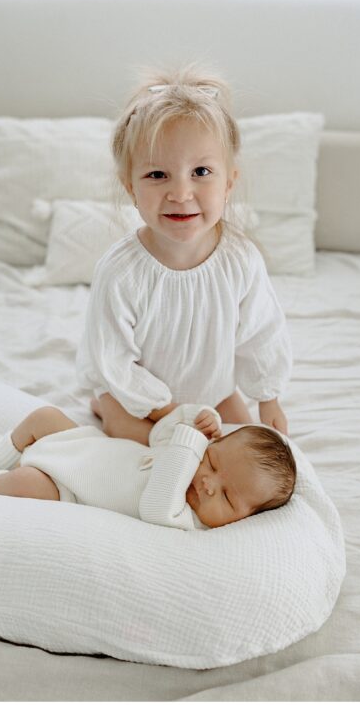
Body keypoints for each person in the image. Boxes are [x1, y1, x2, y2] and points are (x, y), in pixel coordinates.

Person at [76, 66, 292, 445]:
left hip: (216, 392)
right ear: (131, 188)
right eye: (157, 175)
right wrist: (172, 414)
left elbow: (262, 332)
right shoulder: (121, 273)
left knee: (248, 445)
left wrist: (267, 399)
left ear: (228, 183)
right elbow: (114, 359)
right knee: (135, 438)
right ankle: (104, 404)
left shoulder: (240, 260)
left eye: (201, 171)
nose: (180, 192)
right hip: (138, 397)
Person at [0, 404, 296, 530]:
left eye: (228, 497)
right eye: (214, 463)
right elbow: (161, 436)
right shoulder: (190, 454)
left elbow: (156, 501)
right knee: (45, 417)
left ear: (244, 519)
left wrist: (192, 444)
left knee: (25, 485)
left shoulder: (184, 517)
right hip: (89, 446)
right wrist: (191, 420)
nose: (207, 482)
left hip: (70, 488)